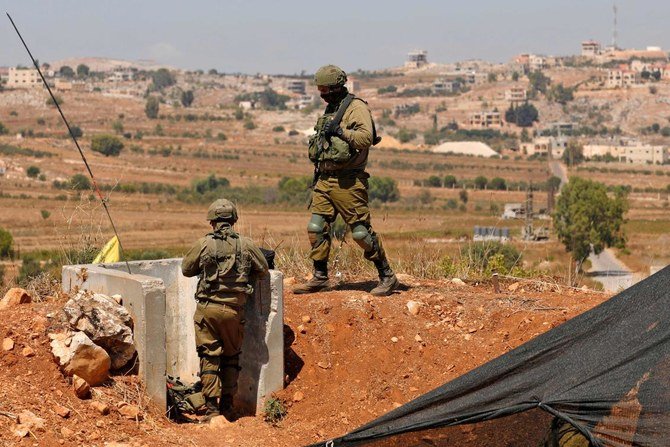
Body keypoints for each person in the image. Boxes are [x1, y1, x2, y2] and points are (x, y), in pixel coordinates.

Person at [293, 64, 399, 297]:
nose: (323, 93)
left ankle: (387, 276)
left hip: (348, 182)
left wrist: (341, 132)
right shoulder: (333, 107)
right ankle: (320, 277)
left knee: (361, 233)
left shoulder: (356, 107)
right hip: (325, 179)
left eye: (326, 89)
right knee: (316, 228)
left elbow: (366, 138)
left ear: (338, 86)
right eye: (320, 89)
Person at [181, 199, 269, 421]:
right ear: (234, 220)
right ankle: (228, 407)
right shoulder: (246, 244)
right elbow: (263, 270)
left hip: (207, 311)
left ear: (212, 221)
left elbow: (186, 270)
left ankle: (211, 410)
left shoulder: (204, 244)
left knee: (209, 358)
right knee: (231, 357)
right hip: (233, 311)